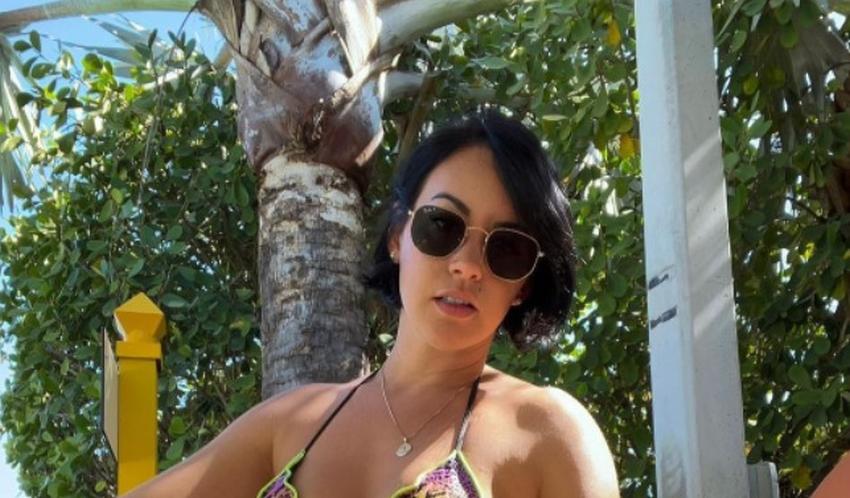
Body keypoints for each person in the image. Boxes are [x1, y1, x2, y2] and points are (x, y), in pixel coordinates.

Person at [126, 111, 619, 497]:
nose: (468, 266)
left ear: (524, 285)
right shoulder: (290, 424)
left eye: (507, 248)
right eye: (442, 225)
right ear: (397, 236)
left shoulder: (546, 432)